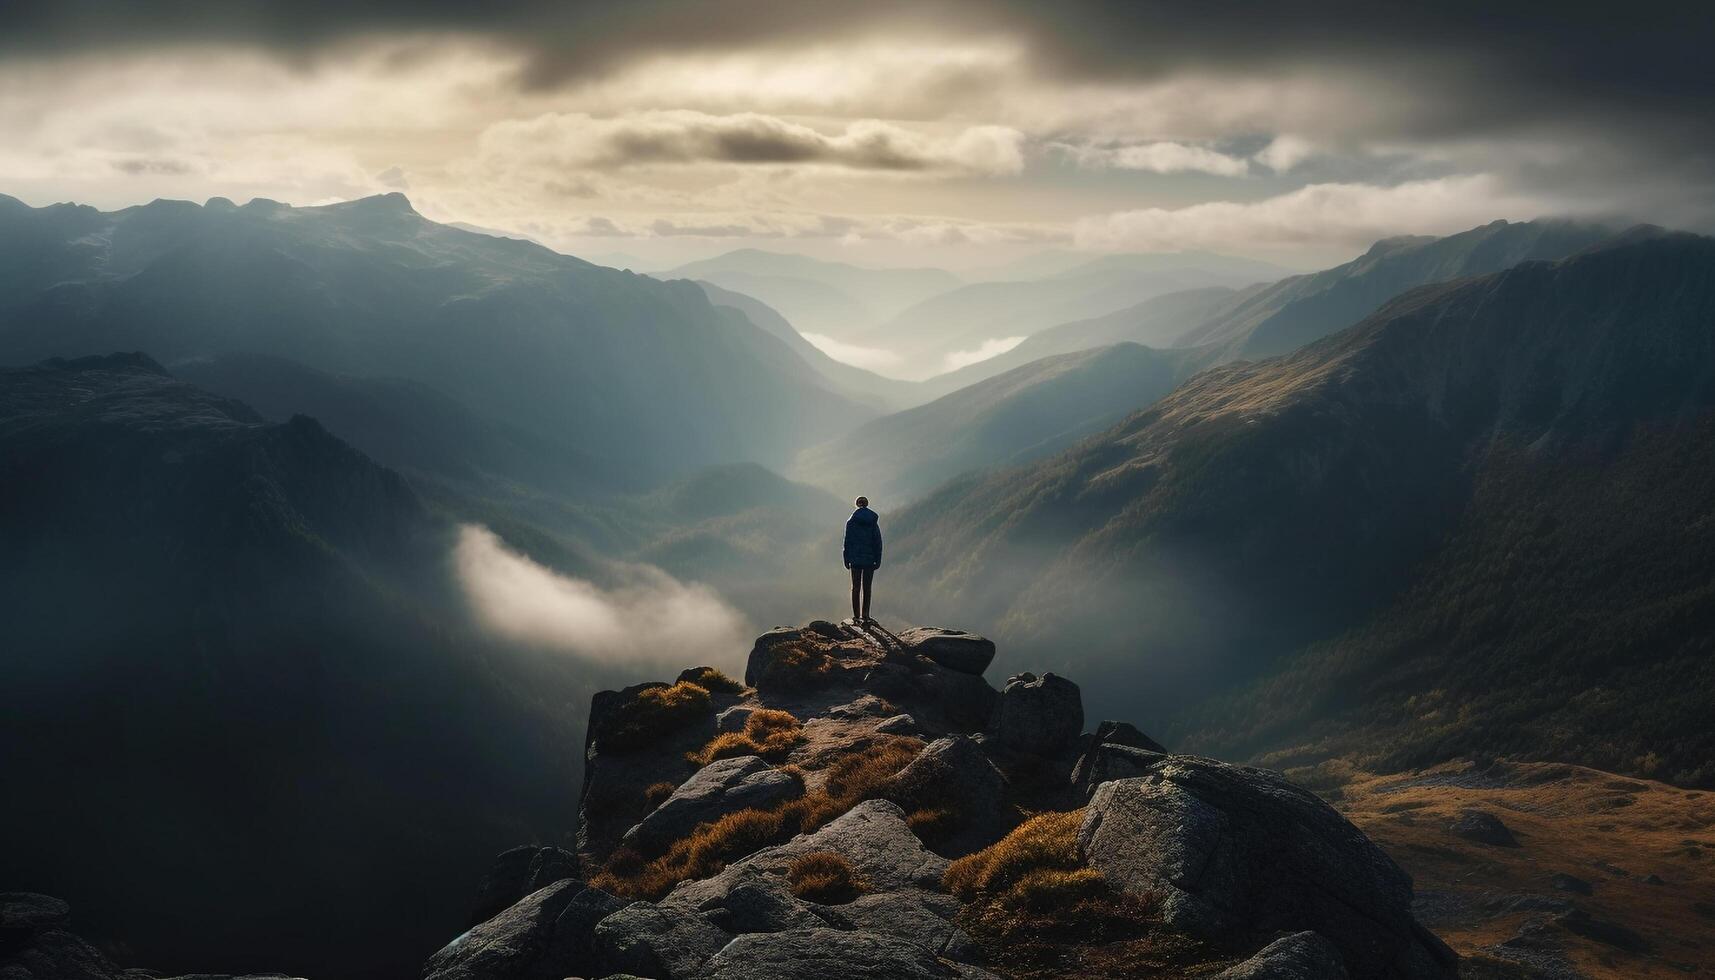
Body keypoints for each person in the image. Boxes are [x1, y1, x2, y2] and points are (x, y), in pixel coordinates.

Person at [843, 496, 882, 623]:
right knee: (867, 587)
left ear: (856, 504)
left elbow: (847, 541)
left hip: (855, 559)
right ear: (867, 504)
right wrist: (878, 559)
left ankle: (856, 616)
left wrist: (846, 558)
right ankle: (866, 615)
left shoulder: (851, 521)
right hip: (870, 559)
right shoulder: (873, 521)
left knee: (855, 587)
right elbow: (877, 542)